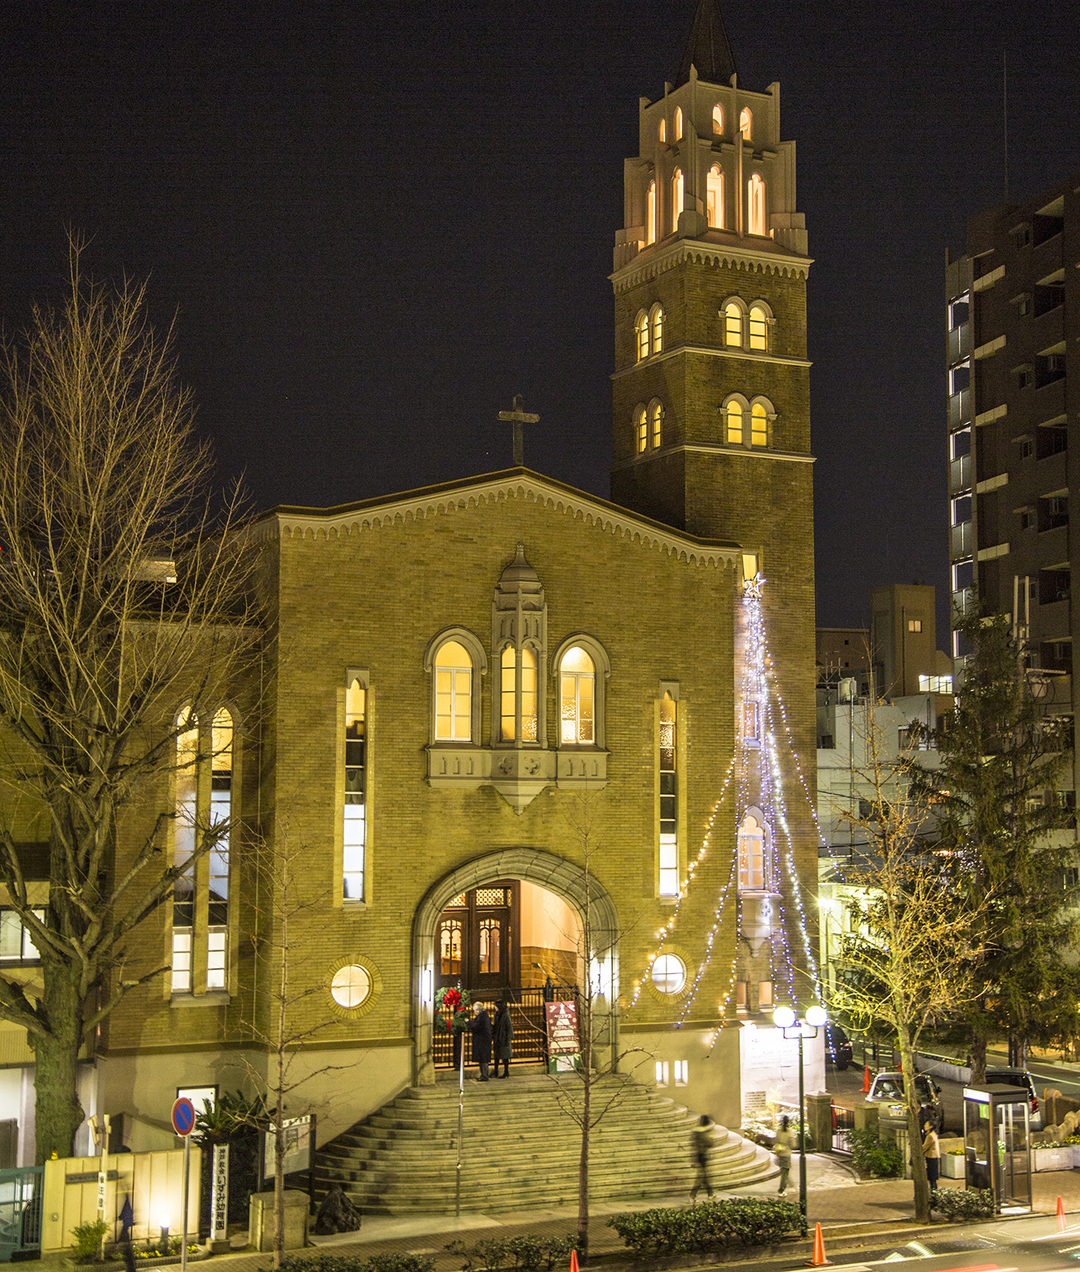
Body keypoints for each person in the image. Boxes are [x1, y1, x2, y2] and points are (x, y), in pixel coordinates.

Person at [690, 1114, 715, 1201]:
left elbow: (693, 1144)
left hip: (698, 1155)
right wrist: (711, 1136)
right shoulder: (704, 1132)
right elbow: (710, 1143)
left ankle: (710, 1193)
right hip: (703, 1156)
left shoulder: (696, 1131)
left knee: (704, 1176)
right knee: (702, 1177)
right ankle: (693, 1195)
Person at [469, 1001, 493, 1081]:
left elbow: (476, 1027)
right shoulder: (483, 1015)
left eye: (474, 1010)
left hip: (483, 1042)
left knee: (483, 1060)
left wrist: (468, 1022)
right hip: (483, 1041)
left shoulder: (482, 1017)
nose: (474, 1012)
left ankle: (484, 1076)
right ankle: (484, 1075)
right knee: (483, 1060)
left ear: (478, 1009)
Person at [774, 1114, 795, 1194]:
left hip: (779, 1152)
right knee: (785, 1172)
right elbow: (792, 1144)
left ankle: (787, 1183)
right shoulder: (790, 1132)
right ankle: (782, 1188)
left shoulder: (779, 1130)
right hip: (786, 1153)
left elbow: (775, 1140)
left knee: (783, 1170)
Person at [493, 999, 513, 1078]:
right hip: (497, 1037)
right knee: (496, 1056)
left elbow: (509, 1027)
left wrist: (508, 1038)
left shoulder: (505, 1015)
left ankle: (506, 1072)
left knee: (505, 1056)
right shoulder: (497, 1014)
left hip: (503, 1038)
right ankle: (496, 1071)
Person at [922, 1119, 940, 1194]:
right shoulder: (933, 1134)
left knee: (932, 1176)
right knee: (932, 1177)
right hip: (933, 1157)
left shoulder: (930, 1136)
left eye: (926, 1124)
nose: (924, 1126)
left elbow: (925, 1147)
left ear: (931, 1126)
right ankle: (933, 1191)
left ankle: (933, 1193)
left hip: (931, 1157)